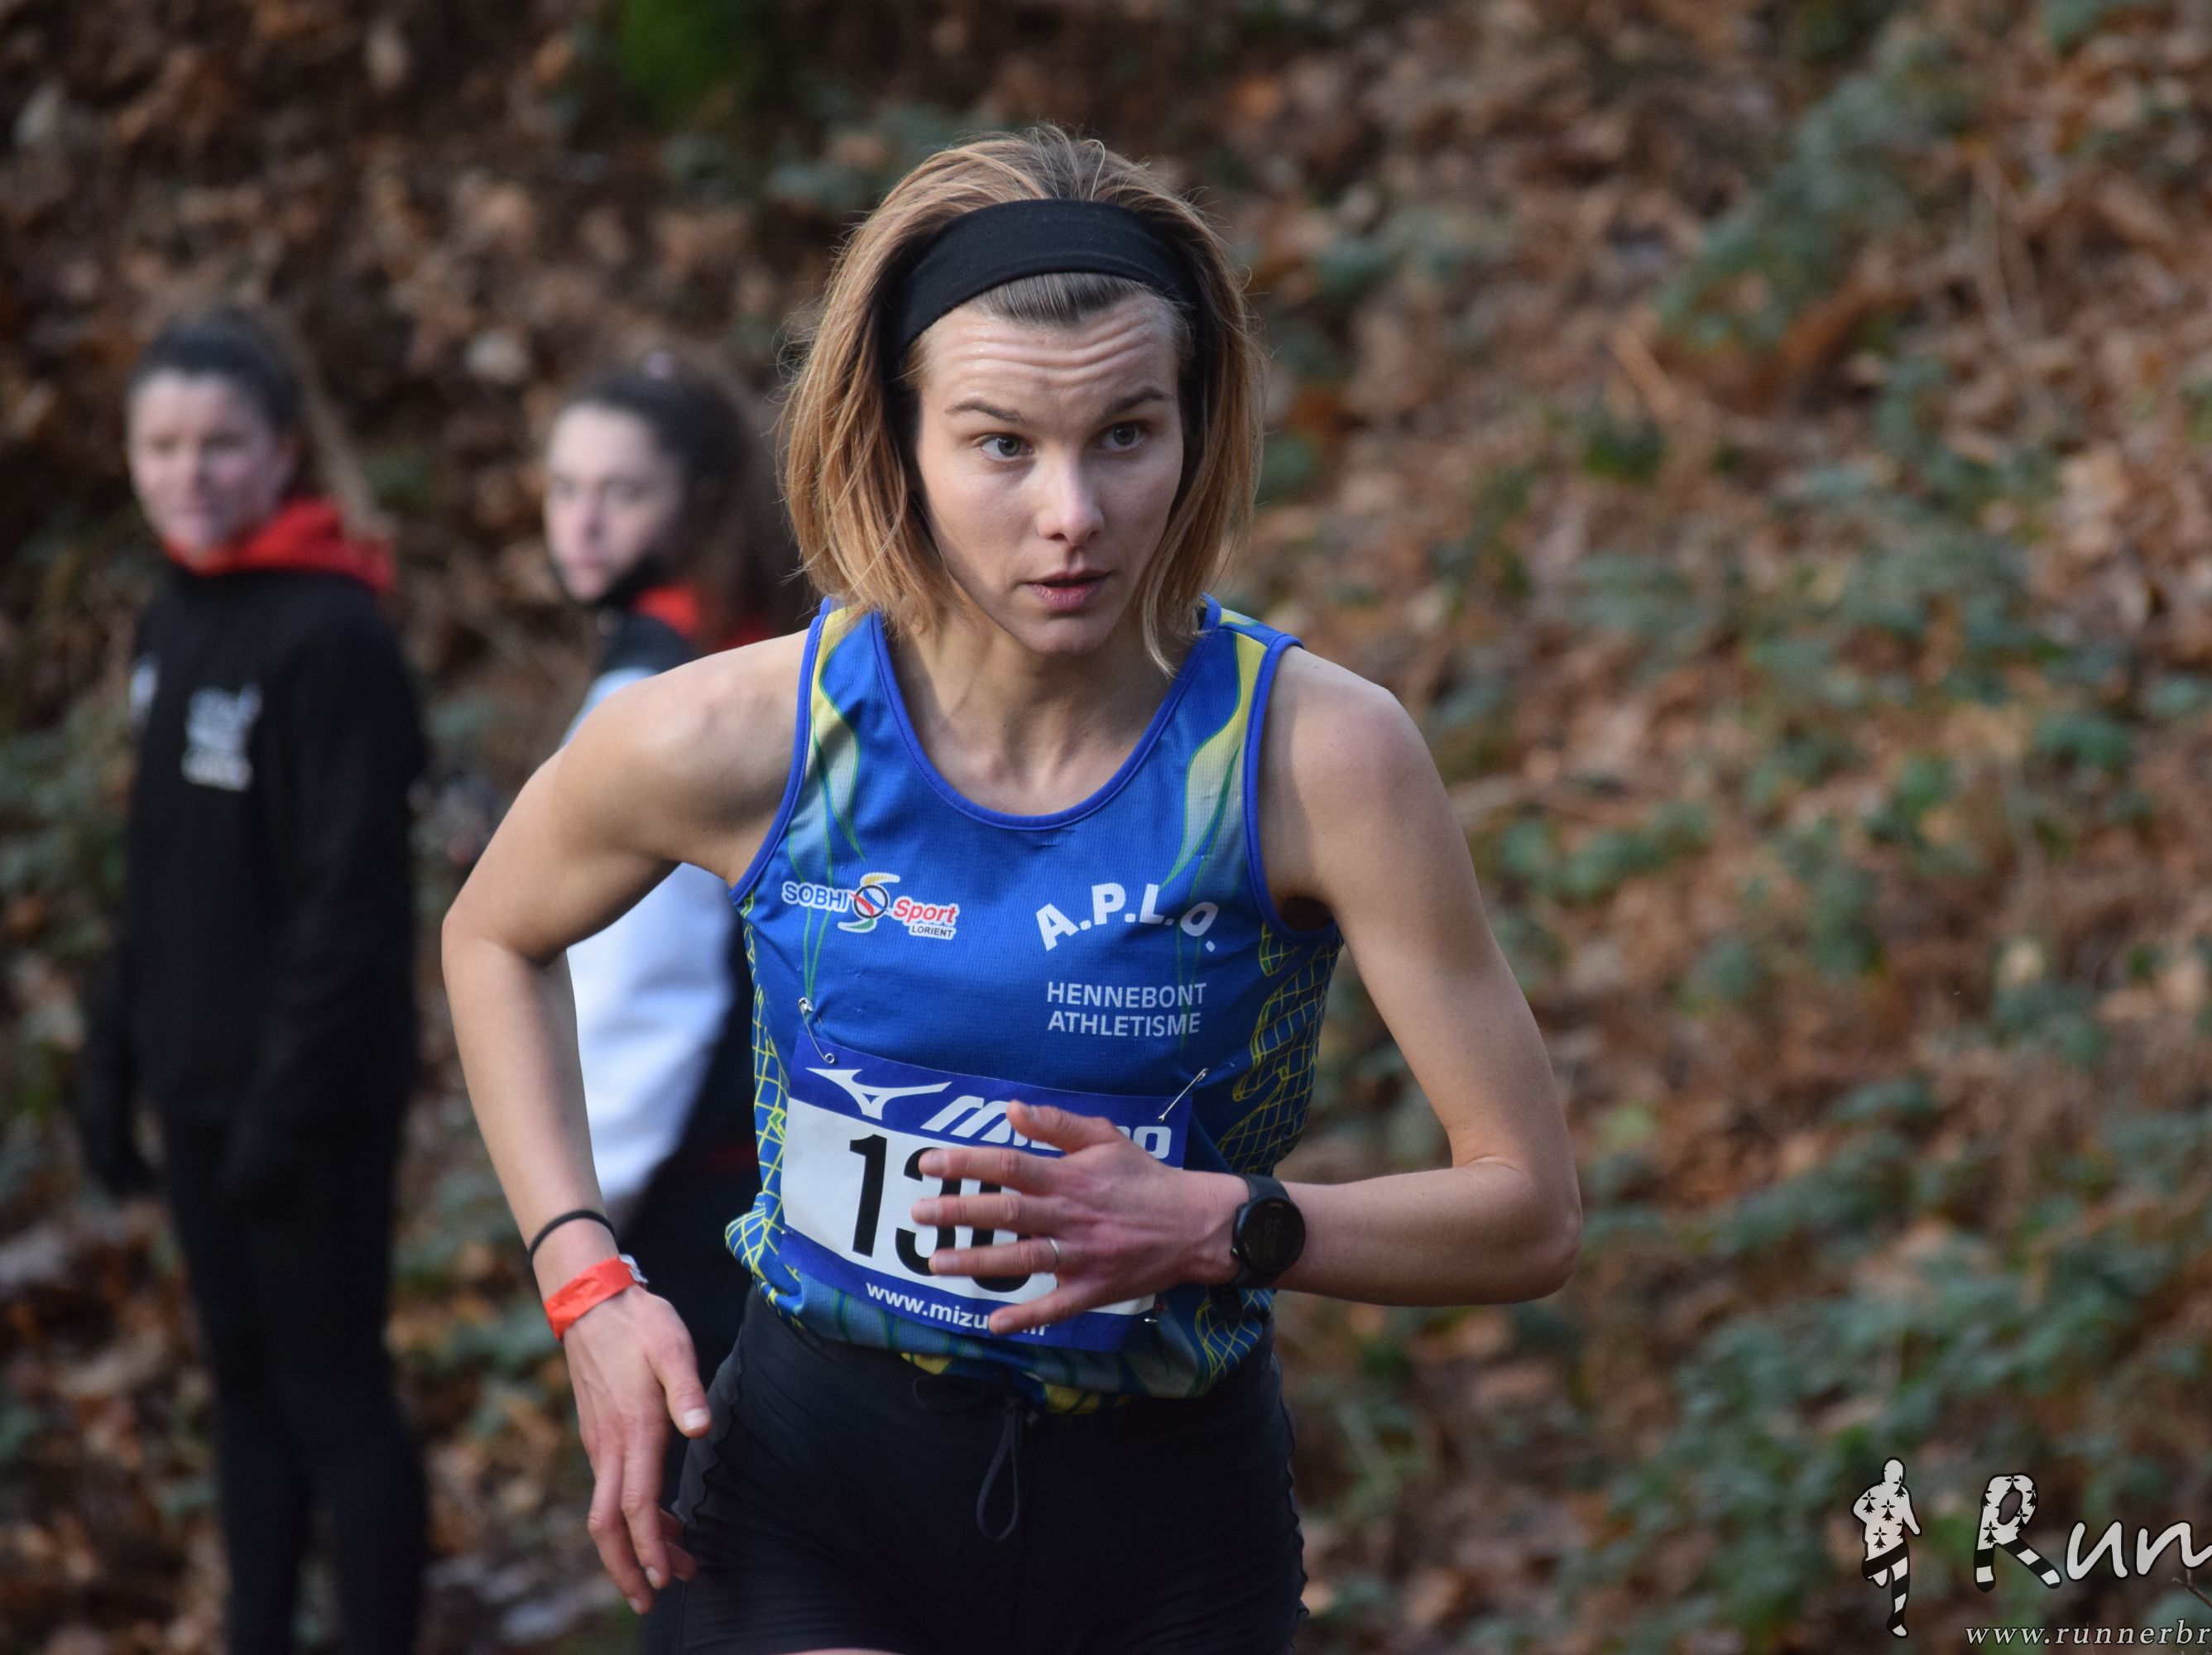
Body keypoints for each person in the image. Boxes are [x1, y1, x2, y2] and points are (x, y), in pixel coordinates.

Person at [442, 127, 1580, 1655]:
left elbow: (1528, 1212)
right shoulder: (744, 735)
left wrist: (1224, 1226)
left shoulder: (1317, 757)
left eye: (1126, 434)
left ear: (1198, 429)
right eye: (1000, 446)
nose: (1073, 513)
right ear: (897, 440)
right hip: (815, 1490)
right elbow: (493, 933)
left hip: (1170, 1521)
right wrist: (586, 1282)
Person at [76, 307, 429, 1655]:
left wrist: (283, 1111)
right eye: (161, 445)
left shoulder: (334, 636)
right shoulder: (175, 611)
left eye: (220, 444)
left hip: (306, 1102)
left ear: (284, 453)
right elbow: (164, 868)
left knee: (334, 1394)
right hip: (196, 1086)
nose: (190, 473)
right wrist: (115, 1052)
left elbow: (351, 903)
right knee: (242, 1388)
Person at [538, 348, 798, 1650]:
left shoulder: (654, 688)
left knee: (697, 1542)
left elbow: (640, 983)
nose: (582, 523)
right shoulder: (763, 653)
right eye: (563, 489)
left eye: (620, 492)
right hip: (773, 1172)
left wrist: (585, 1224)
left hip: (696, 1193)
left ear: (696, 500)